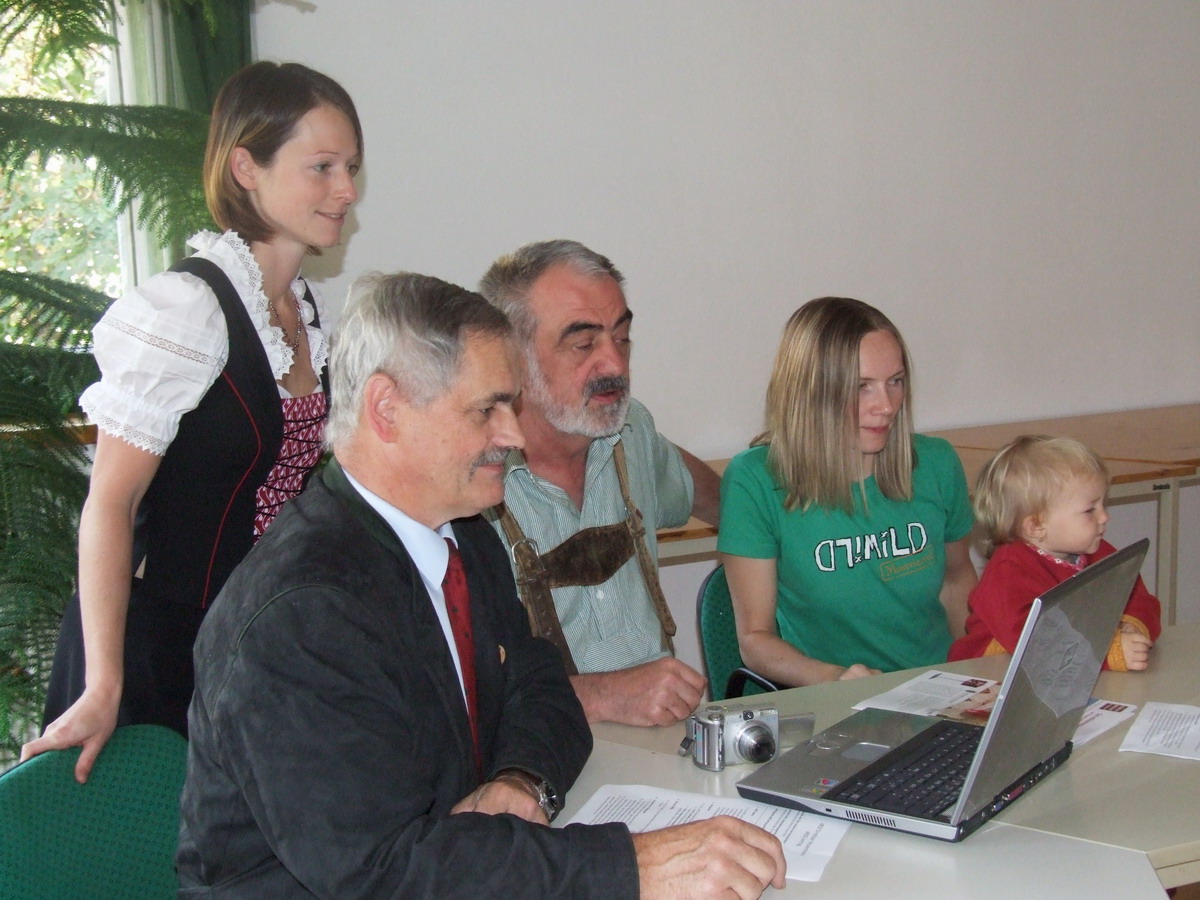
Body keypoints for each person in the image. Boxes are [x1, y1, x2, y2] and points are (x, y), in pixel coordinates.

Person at [176, 272, 786, 898]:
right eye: (487, 409)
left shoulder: (462, 537)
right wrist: (635, 869)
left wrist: (521, 780)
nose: (514, 435)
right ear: (387, 410)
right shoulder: (302, 614)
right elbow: (383, 871)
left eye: (512, 406)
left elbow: (539, 687)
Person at [24, 61, 363, 782]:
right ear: (246, 167)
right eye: (323, 167)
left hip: (243, 641)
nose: (346, 190)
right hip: (150, 648)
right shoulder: (185, 312)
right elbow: (110, 505)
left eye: (351, 168)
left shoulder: (305, 313)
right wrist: (103, 684)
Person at [478, 240, 715, 727]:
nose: (615, 365)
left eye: (622, 338)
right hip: (539, 751)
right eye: (583, 345)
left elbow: (732, 503)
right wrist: (602, 696)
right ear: (512, 359)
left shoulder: (631, 431)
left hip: (661, 745)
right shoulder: (469, 484)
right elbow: (456, 690)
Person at [718, 297, 979, 686]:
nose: (886, 406)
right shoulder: (755, 480)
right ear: (811, 393)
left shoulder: (936, 463)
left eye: (895, 382)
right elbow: (755, 640)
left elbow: (956, 581)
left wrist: (978, 676)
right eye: (861, 387)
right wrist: (837, 678)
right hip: (838, 699)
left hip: (939, 689)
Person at [948, 435, 1161, 669]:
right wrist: (1107, 653)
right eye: (1090, 510)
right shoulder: (1007, 572)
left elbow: (1138, 598)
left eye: (1103, 504)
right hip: (993, 671)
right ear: (1036, 526)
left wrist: (1132, 626)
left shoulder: (1098, 551)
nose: (1104, 517)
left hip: (1070, 672)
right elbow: (1036, 641)